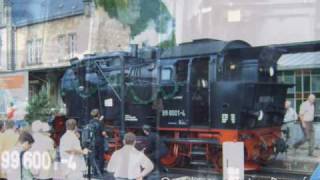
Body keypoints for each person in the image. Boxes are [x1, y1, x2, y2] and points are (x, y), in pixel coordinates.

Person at [88, 109, 107, 175]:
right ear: (98, 114)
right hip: (100, 141)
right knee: (101, 156)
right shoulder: (100, 122)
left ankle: (94, 171)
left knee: (94, 156)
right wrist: (106, 136)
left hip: (92, 141)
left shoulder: (90, 122)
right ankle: (100, 170)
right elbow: (103, 133)